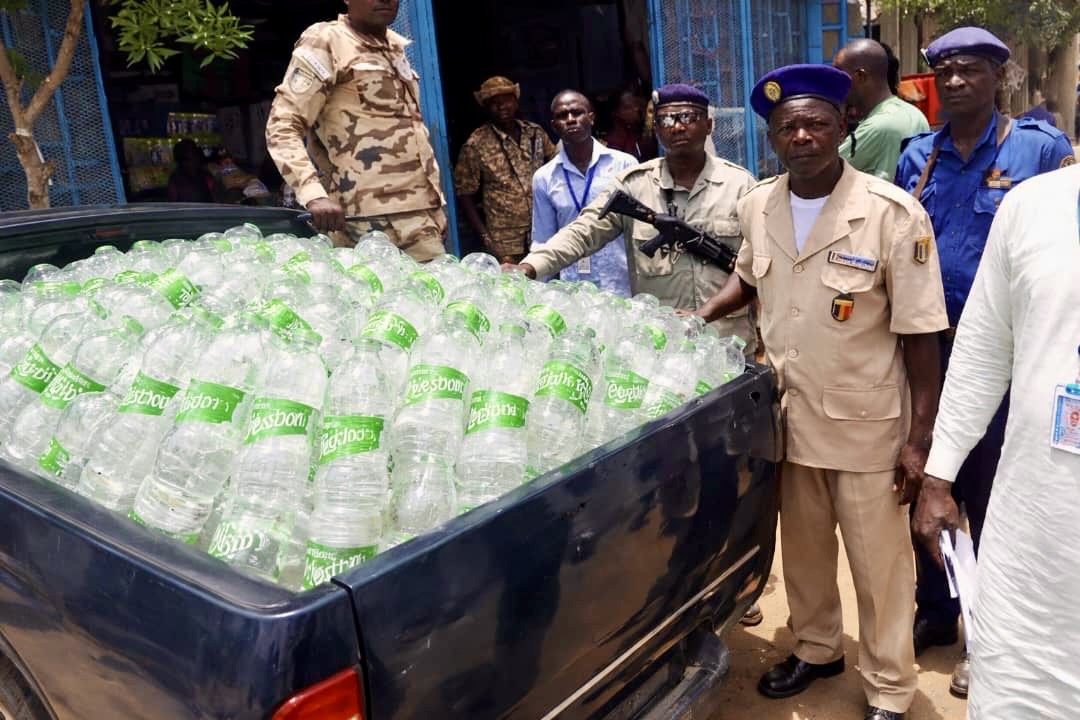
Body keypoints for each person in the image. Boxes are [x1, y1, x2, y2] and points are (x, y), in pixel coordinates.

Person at [695, 64, 948, 720]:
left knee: (880, 567)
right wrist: (695, 319)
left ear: (843, 128)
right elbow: (749, 280)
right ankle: (816, 647)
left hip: (868, 426)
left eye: (816, 124)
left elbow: (922, 337)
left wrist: (922, 441)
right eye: (787, 127)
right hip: (787, 417)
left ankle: (891, 686)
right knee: (805, 553)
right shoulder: (758, 205)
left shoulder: (892, 213)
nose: (802, 136)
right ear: (771, 138)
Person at [894, 26, 1075, 697]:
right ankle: (937, 612)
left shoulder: (1039, 149)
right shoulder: (919, 156)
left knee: (991, 494)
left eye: (970, 71)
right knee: (924, 481)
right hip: (928, 350)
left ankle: (984, 631)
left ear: (999, 77)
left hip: (1010, 356)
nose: (956, 83)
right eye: (944, 73)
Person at [913, 162, 1080, 719]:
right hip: (1036, 527)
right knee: (1017, 687)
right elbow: (982, 353)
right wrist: (938, 477)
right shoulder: (1033, 206)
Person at [505, 83, 758, 354]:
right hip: (662, 343)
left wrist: (704, 315)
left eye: (688, 117)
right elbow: (583, 232)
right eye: (666, 120)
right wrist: (530, 267)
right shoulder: (633, 185)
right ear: (657, 130)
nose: (677, 127)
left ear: (708, 126)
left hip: (728, 342)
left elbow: (753, 268)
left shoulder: (740, 186)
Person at [265, 0, 447, 261]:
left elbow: (413, 133)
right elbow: (283, 125)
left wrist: (436, 207)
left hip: (421, 217)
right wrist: (313, 195)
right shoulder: (327, 41)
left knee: (434, 299)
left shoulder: (396, 48)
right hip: (364, 221)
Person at [531, 90, 638, 296]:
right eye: (562, 116)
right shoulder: (544, 177)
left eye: (577, 113)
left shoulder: (624, 164)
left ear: (591, 118)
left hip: (622, 281)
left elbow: (638, 227)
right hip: (574, 288)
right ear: (554, 125)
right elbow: (543, 239)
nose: (570, 120)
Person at [454, 76, 557, 264]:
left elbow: (558, 165)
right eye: (494, 103)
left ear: (516, 101)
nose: (502, 106)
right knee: (513, 286)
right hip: (505, 240)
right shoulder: (476, 144)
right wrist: (486, 238)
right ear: (485, 107)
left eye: (507, 100)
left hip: (543, 228)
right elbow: (465, 194)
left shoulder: (535, 132)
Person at [833, 39, 929, 180]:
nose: (836, 82)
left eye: (839, 75)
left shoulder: (878, 126)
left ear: (861, 76)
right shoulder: (913, 113)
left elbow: (822, 172)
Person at [603, 89, 658, 162]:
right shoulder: (611, 143)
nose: (636, 109)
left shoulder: (636, 135)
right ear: (616, 112)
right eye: (628, 107)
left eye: (636, 105)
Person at [167, 139, 220, 203]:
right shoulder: (176, 179)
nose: (197, 156)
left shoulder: (205, 175)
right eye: (193, 153)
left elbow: (216, 198)